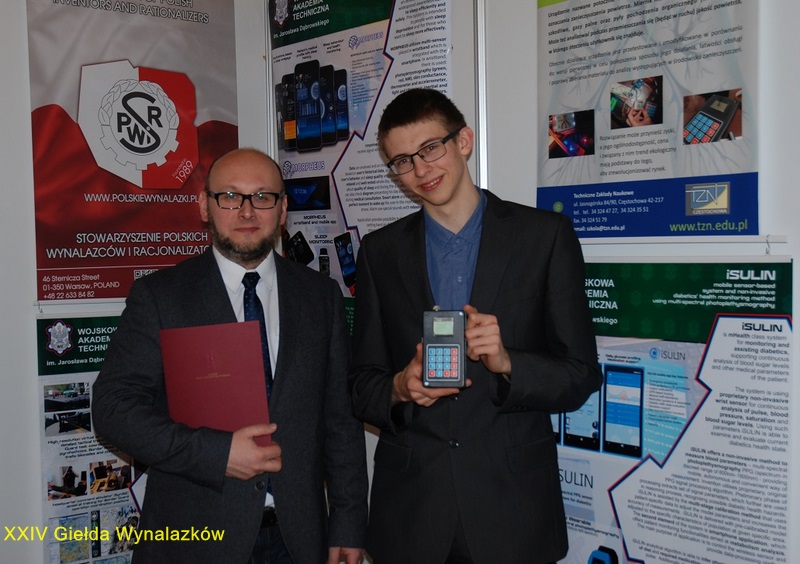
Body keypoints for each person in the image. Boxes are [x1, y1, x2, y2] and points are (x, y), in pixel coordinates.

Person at [348, 88, 602, 564]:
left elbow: (581, 374)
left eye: (430, 148)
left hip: (513, 508)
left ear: (463, 141)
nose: (420, 170)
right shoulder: (379, 253)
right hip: (410, 512)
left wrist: (508, 363)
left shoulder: (544, 238)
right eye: (402, 161)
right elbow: (361, 385)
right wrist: (400, 388)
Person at [93, 148, 368, 564]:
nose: (247, 211)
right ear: (204, 207)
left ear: (283, 209)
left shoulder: (320, 296)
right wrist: (217, 454)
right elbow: (113, 410)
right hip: (196, 538)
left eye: (262, 197)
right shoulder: (161, 297)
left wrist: (348, 522)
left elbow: (341, 420)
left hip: (299, 538)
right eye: (230, 196)